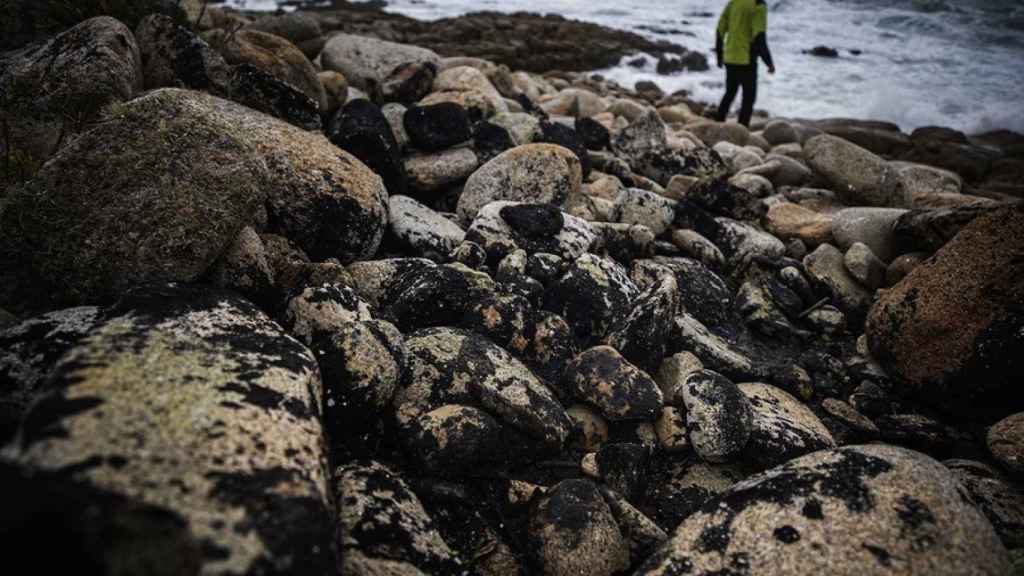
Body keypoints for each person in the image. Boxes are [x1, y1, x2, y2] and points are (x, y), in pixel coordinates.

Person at [715, 0, 775, 127]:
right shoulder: (758, 5)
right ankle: (741, 129)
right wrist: (769, 62)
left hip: (730, 58)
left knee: (730, 93)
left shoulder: (734, 3)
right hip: (747, 59)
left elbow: (720, 30)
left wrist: (720, 56)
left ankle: (718, 124)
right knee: (748, 98)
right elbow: (759, 37)